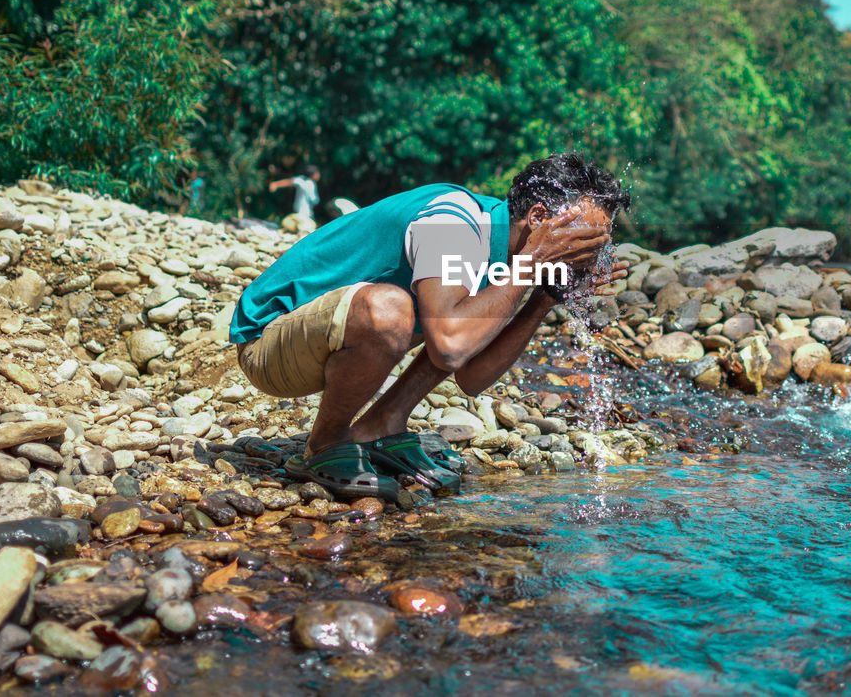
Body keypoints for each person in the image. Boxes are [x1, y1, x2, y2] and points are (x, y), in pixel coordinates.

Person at [230, 154, 631, 502]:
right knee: (392, 311)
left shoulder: (506, 252)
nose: (591, 257)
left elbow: (472, 377)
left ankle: (381, 425)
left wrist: (545, 298)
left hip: (330, 340)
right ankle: (325, 443)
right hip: (270, 342)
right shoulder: (453, 224)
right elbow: (450, 347)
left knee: (459, 317)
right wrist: (530, 267)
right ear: (539, 218)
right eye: (584, 242)